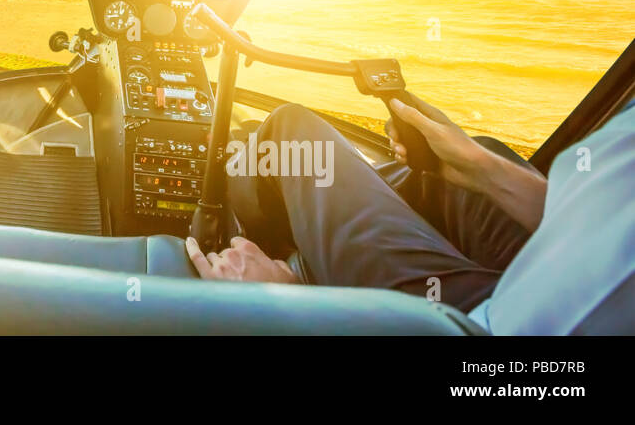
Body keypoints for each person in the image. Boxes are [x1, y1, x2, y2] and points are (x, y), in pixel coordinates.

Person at [184, 94, 635, 333]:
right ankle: (331, 247)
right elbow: (606, 217)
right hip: (555, 267)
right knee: (468, 163)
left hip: (481, 330)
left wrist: (287, 308)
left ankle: (295, 263)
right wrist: (481, 170)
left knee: (294, 136)